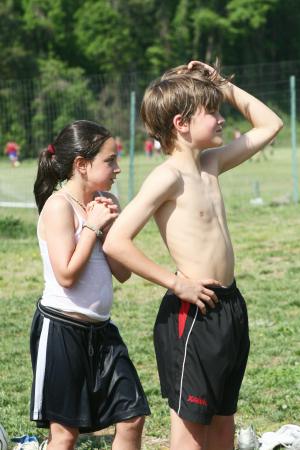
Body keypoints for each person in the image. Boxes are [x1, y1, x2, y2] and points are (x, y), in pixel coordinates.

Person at [103, 61, 283, 450]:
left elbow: (270, 125)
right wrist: (175, 282)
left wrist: (221, 85)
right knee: (190, 434)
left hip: (230, 307)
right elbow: (116, 240)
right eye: (213, 111)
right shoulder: (167, 177)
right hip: (193, 315)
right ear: (182, 122)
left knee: (222, 426)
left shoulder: (211, 165)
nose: (221, 119)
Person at [31, 120, 150, 450]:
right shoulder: (59, 207)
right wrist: (92, 228)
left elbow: (122, 273)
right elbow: (66, 275)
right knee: (65, 435)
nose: (117, 169)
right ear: (81, 165)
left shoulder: (105, 200)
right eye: (110, 160)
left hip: (102, 332)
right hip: (61, 331)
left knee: (132, 417)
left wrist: (110, 228)